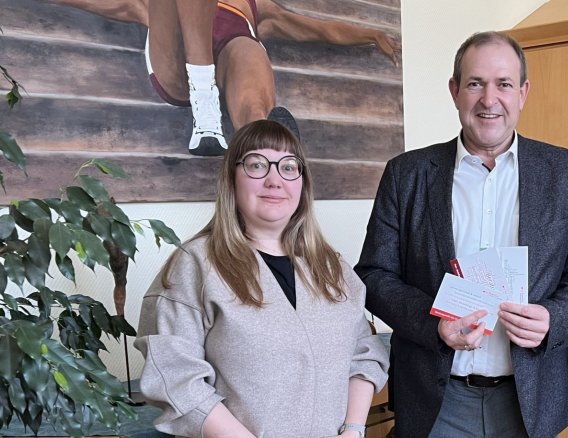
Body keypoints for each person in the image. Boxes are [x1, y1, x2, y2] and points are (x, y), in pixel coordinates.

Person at [355, 31, 568, 437]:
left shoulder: (566, 172)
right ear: (455, 91)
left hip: (532, 400)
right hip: (435, 401)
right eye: (475, 83)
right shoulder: (407, 175)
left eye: (504, 84)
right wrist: (431, 321)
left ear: (523, 92)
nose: (489, 100)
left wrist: (553, 318)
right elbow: (373, 275)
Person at [135, 120, 388, 437]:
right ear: (232, 179)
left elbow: (365, 353)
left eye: (288, 166)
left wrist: (353, 429)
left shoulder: (331, 267)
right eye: (257, 165)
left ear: (302, 183)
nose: (274, 180)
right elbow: (173, 376)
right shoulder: (195, 265)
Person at [47, 0, 401, 155]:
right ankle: (204, 102)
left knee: (247, 46)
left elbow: (322, 30)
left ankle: (262, 144)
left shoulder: (256, 6)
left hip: (230, 74)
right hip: (177, 71)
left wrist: (370, 35)